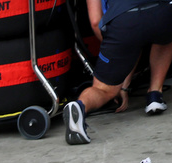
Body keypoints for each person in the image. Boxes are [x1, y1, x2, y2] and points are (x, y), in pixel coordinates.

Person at [67, 1, 172, 143]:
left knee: (102, 89)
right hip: (163, 11)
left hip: (124, 22)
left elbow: (95, 21)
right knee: (164, 33)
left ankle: (80, 106)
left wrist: (117, 54)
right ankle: (155, 93)